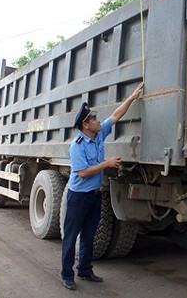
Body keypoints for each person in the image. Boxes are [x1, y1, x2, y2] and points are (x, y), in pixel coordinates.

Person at [61, 81, 144, 291]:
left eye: (97, 118)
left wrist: (133, 97)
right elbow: (82, 173)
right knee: (71, 237)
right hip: (78, 196)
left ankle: (85, 270)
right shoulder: (77, 146)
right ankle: (67, 274)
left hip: (94, 195)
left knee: (89, 235)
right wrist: (106, 164)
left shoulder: (98, 134)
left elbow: (116, 116)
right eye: (94, 118)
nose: (99, 120)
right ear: (85, 125)